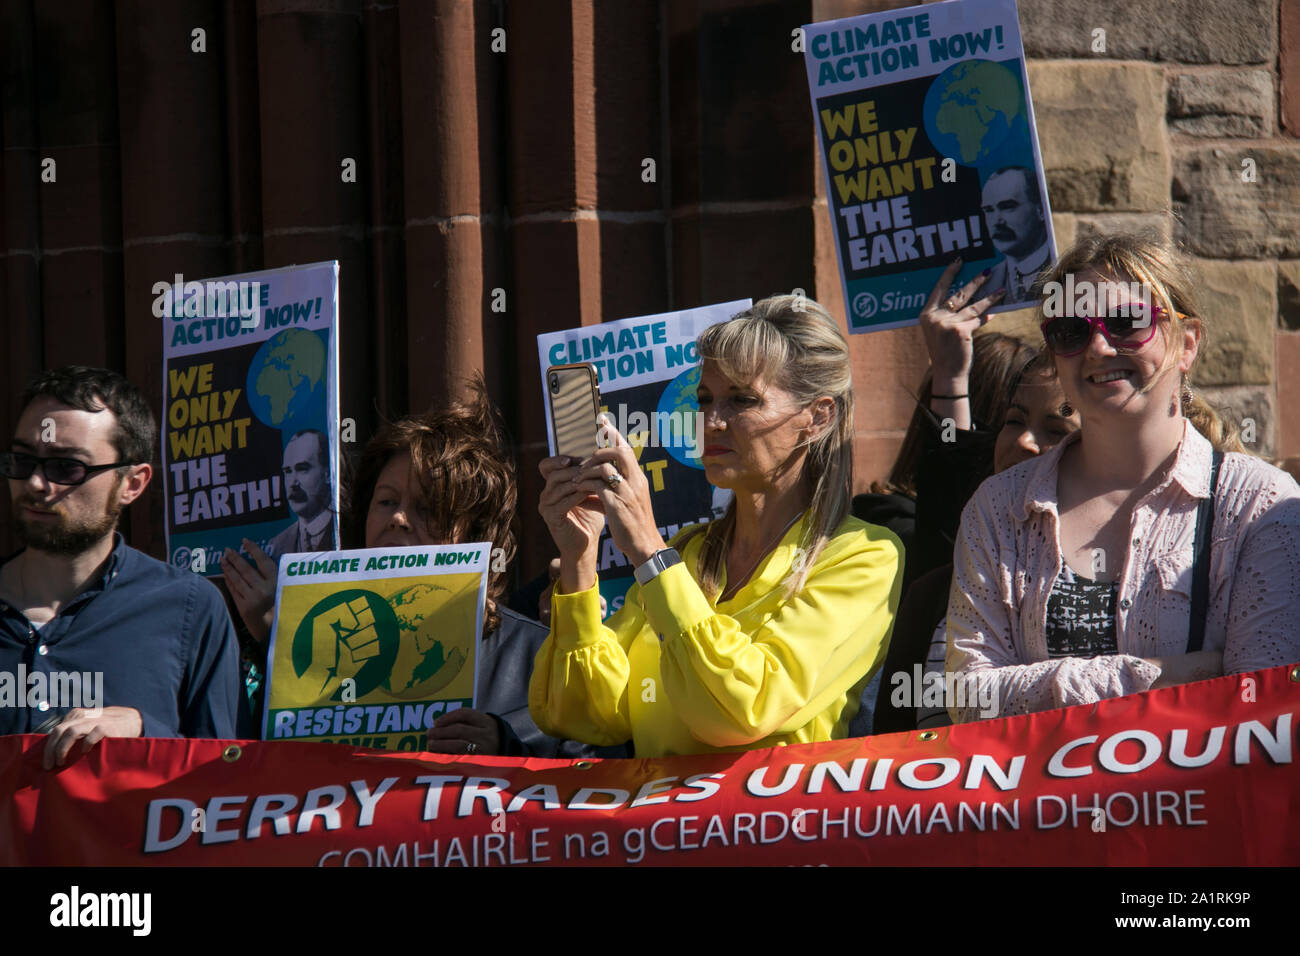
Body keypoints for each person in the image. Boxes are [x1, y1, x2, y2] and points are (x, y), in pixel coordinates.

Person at [946, 233, 1300, 722]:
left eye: (1126, 322)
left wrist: (1041, 692)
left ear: (1187, 343)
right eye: (1070, 329)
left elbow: (1263, 704)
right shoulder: (998, 505)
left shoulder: (1261, 504)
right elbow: (967, 700)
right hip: (1041, 801)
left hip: (1190, 799)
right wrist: (1162, 676)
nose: (1097, 346)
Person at [531, 294, 903, 757]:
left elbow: (744, 709)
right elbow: (586, 716)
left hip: (770, 824)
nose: (711, 421)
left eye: (742, 400)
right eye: (704, 399)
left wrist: (649, 549)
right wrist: (579, 559)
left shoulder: (864, 555)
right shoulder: (686, 553)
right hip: (652, 826)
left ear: (818, 417)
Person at [221, 380, 623, 758]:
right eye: (385, 501)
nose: (397, 518)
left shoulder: (541, 655)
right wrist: (277, 641)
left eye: (426, 508)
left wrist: (504, 744)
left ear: (476, 533)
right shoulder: (310, 642)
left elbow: (596, 767)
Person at [872, 261, 1081, 733]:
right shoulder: (934, 588)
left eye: (1056, 428)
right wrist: (949, 377)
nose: (1025, 442)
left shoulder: (1109, 581)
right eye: (1011, 419)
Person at [0, 366, 240, 767]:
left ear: (132, 483)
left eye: (66, 467)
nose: (37, 484)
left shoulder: (188, 608)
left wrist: (145, 730)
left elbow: (229, 771)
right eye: (23, 461)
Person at [981, 166, 1050, 305]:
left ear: (1041, 210)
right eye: (988, 210)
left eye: (1007, 206)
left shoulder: (1069, 275)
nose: (996, 221)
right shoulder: (985, 287)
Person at [265, 428, 335, 558]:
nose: (292, 483)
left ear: (328, 474)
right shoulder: (276, 545)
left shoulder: (348, 529)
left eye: (302, 469)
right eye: (287, 471)